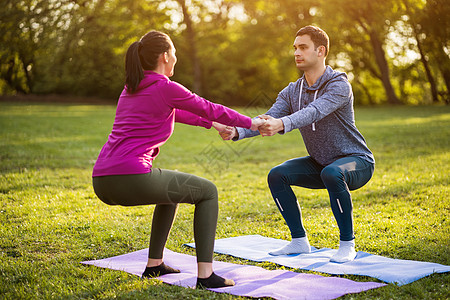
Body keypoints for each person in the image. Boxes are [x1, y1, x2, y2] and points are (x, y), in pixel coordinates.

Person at [92, 30, 264, 288]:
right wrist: (252, 122)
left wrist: (213, 125)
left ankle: (154, 265)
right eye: (174, 52)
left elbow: (179, 113)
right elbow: (207, 106)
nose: (176, 57)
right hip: (130, 176)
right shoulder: (165, 87)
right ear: (164, 56)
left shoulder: (132, 88)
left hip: (102, 180)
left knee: (170, 192)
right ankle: (206, 275)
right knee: (208, 191)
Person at [218, 25, 375, 263]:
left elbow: (314, 111)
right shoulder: (293, 91)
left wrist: (281, 124)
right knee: (277, 174)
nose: (296, 53)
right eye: (295, 48)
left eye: (303, 47)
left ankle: (347, 244)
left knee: (334, 173)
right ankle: (300, 242)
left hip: (357, 162)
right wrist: (237, 132)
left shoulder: (339, 84)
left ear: (321, 51)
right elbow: (269, 117)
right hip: (321, 163)